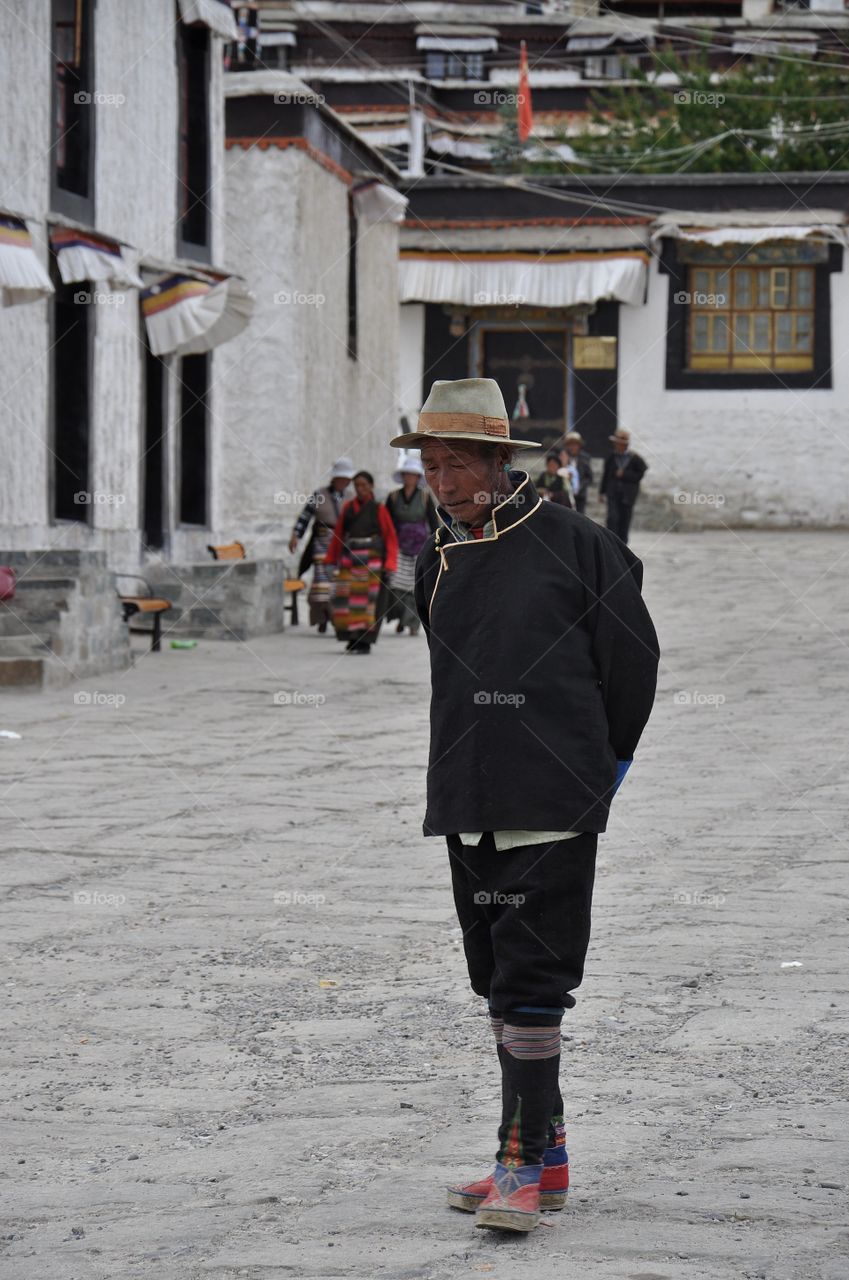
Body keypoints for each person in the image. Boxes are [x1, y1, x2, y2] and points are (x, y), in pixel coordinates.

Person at [390, 378, 658, 1235]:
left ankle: (518, 1165)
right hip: (467, 790)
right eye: (432, 465)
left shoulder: (579, 545)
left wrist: (604, 765)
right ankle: (548, 1153)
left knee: (535, 980)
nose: (443, 481)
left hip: (552, 790)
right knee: (497, 982)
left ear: (501, 462)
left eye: (459, 463)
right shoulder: (435, 559)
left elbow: (631, 662)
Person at [324, 470, 398, 654]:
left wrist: (390, 563)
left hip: (372, 562)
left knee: (369, 604)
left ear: (371, 486)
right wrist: (330, 559)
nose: (360, 489)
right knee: (347, 600)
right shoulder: (348, 508)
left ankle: (365, 641)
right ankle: (352, 637)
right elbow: (338, 535)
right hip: (350, 561)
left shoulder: (379, 509)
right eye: (357, 485)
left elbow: (390, 537)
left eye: (364, 485)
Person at [288, 458, 355, 632]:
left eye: (346, 479)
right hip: (322, 544)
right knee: (322, 582)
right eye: (341, 478)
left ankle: (335, 616)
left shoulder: (351, 497)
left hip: (343, 545)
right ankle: (322, 616)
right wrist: (296, 535)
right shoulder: (319, 495)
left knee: (340, 582)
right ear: (334, 478)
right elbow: (305, 517)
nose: (343, 482)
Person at [384, 455, 438, 637]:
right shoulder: (393, 497)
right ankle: (401, 617)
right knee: (396, 584)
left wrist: (435, 545)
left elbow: (433, 522)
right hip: (398, 545)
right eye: (407, 474)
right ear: (403, 476)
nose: (410, 478)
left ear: (417, 477)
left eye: (413, 475)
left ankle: (412, 623)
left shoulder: (425, 497)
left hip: (419, 546)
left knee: (414, 585)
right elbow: (386, 522)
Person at [600, 428, 648, 545]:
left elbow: (640, 474)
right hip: (613, 493)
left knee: (624, 521)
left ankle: (622, 546)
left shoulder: (634, 458)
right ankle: (611, 543)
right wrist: (601, 491)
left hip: (628, 496)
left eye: (619, 443)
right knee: (612, 518)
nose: (617, 445)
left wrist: (625, 474)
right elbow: (606, 475)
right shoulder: (611, 457)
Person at [560, 431, 594, 515]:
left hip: (580, 495)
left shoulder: (585, 458)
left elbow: (589, 477)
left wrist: (580, 486)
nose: (572, 447)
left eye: (575, 445)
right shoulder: (562, 457)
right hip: (565, 495)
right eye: (570, 445)